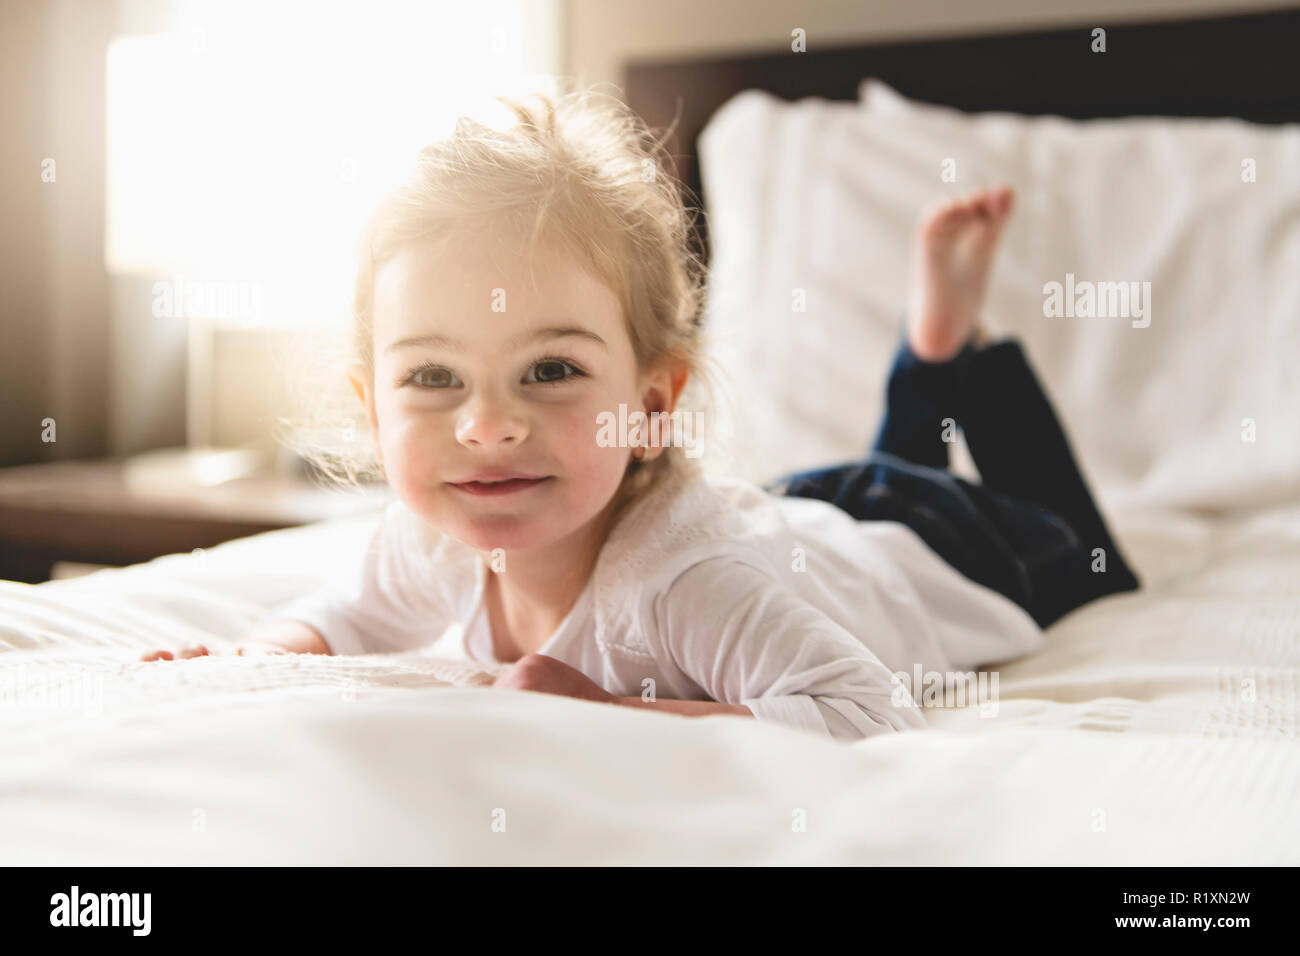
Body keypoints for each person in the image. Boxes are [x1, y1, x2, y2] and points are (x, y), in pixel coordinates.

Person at [142, 90, 1139, 742]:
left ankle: (948, 358)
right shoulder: (433, 533)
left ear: (652, 404)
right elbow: (343, 616)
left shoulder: (686, 587)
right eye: (434, 378)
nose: (487, 426)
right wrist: (258, 654)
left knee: (1083, 547)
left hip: (944, 550)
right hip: (798, 516)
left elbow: (857, 705)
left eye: (549, 367)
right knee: (877, 477)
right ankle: (924, 366)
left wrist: (613, 709)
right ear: (370, 405)